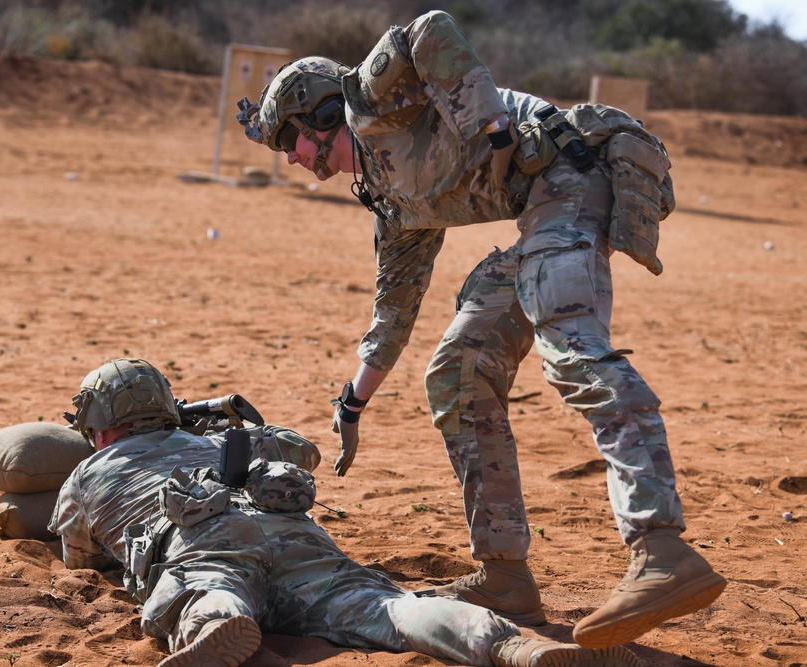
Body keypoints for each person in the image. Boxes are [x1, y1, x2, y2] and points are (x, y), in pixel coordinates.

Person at [236, 9, 726, 649]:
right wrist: (351, 403)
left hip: (578, 176)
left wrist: (488, 120)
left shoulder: (368, 100)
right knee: (457, 372)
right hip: (539, 214)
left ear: (317, 116)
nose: (292, 160)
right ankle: (506, 578)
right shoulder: (391, 201)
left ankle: (660, 545)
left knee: (571, 349)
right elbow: (394, 311)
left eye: (289, 143)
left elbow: (425, 30)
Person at [48, 357, 642, 667]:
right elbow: (302, 449)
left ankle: (214, 622)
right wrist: (224, 428)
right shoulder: (219, 444)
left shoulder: (83, 475)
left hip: (201, 540)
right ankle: (519, 650)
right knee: (394, 609)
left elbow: (80, 559)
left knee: (208, 586)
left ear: (96, 424)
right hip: (291, 533)